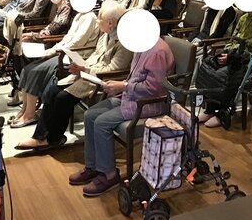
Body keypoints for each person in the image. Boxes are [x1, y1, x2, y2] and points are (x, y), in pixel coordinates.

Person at [15, 1, 132, 149]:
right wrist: (82, 66)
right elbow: (96, 55)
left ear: (111, 23)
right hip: (88, 72)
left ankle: (53, 138)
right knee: (51, 91)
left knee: (62, 98)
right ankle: (39, 136)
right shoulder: (106, 35)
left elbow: (113, 69)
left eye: (100, 18)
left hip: (100, 79)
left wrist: (86, 70)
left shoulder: (124, 42)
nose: (97, 21)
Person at [68, 37, 174, 197]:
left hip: (149, 103)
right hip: (131, 96)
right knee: (90, 115)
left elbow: (153, 88)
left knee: (101, 122)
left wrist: (123, 86)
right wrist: (119, 84)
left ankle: (109, 174)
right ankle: (93, 166)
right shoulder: (142, 44)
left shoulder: (157, 51)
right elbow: (136, 78)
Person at [197, 6, 252, 128]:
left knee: (226, 73)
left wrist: (232, 56)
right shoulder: (243, 18)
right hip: (235, 54)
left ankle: (222, 112)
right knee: (209, 65)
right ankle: (210, 109)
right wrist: (227, 52)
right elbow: (233, 39)